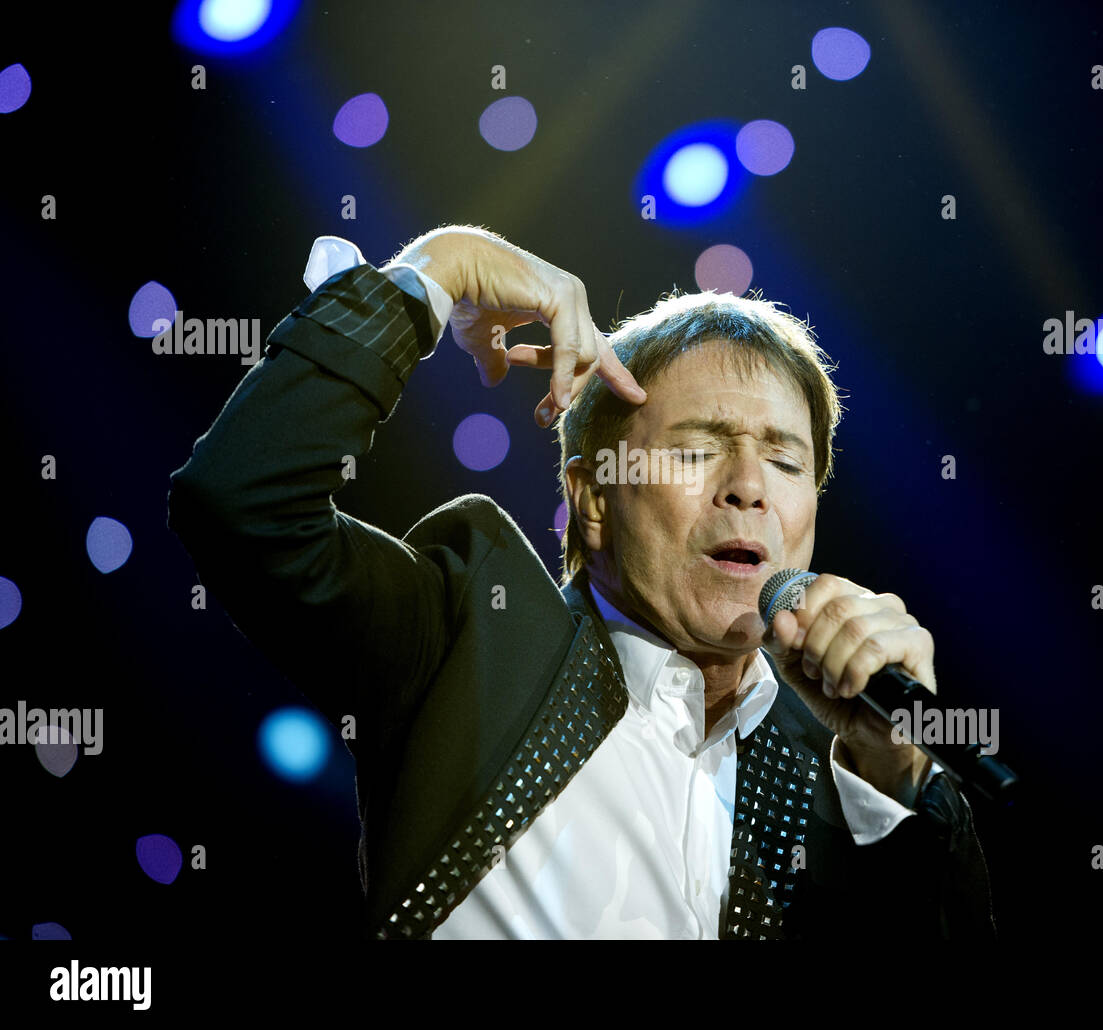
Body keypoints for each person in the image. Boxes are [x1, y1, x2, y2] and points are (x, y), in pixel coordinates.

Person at [166, 225, 995, 939]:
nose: (749, 485)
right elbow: (242, 502)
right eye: (698, 450)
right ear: (593, 499)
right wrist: (435, 272)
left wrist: (894, 774)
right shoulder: (468, 634)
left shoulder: (844, 765)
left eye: (785, 459)